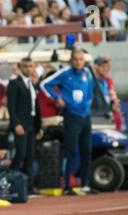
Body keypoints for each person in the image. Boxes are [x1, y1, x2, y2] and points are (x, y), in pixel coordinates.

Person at [41, 48, 95, 195]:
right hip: (71, 116)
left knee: (87, 151)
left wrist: (89, 101)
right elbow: (45, 84)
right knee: (70, 151)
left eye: (81, 59)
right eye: (76, 59)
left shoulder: (87, 73)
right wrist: (56, 98)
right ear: (71, 60)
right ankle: (66, 186)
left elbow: (90, 91)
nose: (78, 62)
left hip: (85, 117)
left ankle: (85, 184)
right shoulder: (65, 73)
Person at [8, 57, 43, 194]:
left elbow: (36, 107)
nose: (28, 69)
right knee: (20, 153)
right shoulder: (14, 83)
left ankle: (28, 187)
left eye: (30, 66)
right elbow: (11, 106)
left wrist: (39, 127)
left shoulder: (32, 84)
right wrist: (16, 123)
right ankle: (10, 182)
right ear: (20, 67)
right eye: (25, 66)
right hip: (21, 125)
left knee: (30, 156)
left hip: (31, 125)